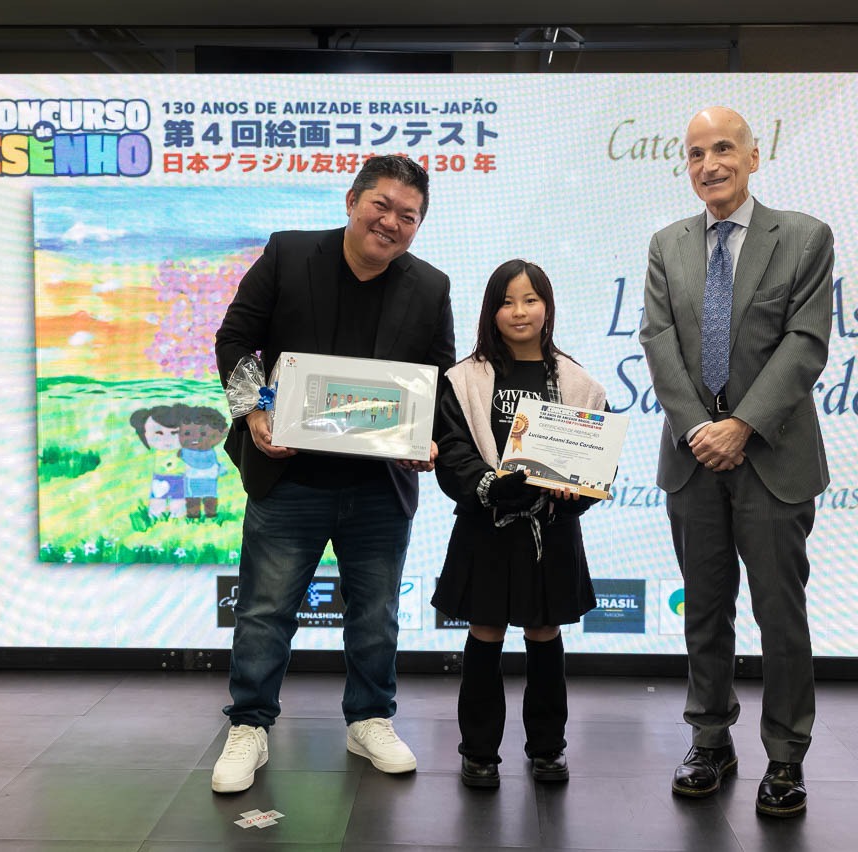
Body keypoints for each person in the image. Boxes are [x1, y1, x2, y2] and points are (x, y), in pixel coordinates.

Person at [211, 154, 455, 794]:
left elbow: (439, 381)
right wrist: (256, 411)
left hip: (378, 485)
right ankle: (250, 724)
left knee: (375, 614)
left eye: (409, 215)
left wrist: (426, 437)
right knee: (265, 610)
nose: (392, 222)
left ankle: (370, 718)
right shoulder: (289, 255)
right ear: (352, 201)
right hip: (289, 477)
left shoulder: (430, 287)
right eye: (382, 205)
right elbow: (234, 338)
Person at [639, 107, 834, 817]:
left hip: (773, 457)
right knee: (704, 608)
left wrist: (741, 426)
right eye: (696, 153)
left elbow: (805, 343)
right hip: (694, 458)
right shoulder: (667, 244)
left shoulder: (805, 237)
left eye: (723, 148)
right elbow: (658, 340)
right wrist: (701, 429)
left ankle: (785, 755)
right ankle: (709, 740)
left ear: (753, 157)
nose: (709, 164)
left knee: (780, 613)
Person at [432, 259, 606, 788]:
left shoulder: (578, 382)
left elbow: (597, 459)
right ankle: (479, 751)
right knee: (484, 632)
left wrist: (572, 495)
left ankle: (548, 748)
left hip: (549, 531)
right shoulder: (464, 379)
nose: (519, 311)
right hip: (485, 528)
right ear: (491, 311)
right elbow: (453, 451)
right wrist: (492, 485)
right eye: (506, 302)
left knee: (544, 632)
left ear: (547, 307)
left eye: (531, 300)